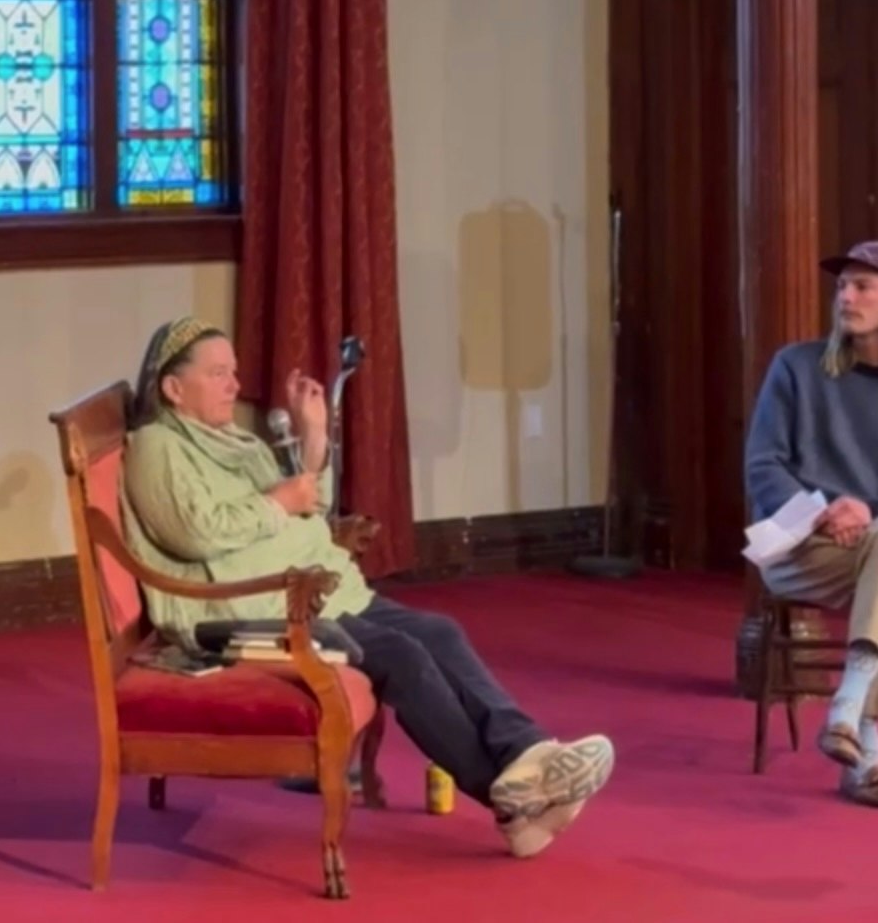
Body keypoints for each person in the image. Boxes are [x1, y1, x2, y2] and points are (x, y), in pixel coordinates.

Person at [118, 316, 614, 858]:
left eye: (232, 372)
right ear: (172, 388)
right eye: (218, 374)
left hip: (315, 591)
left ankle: (529, 756)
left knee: (438, 632)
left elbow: (311, 505)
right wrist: (277, 503)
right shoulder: (157, 446)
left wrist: (312, 440)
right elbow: (194, 533)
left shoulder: (231, 439)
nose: (235, 385)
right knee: (402, 655)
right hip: (243, 611)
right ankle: (516, 800)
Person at [743, 241, 878, 809]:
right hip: (803, 548)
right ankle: (861, 731)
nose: (846, 295)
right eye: (842, 285)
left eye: (863, 285)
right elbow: (763, 463)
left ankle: (853, 721)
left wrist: (868, 510)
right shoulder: (794, 366)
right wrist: (820, 513)